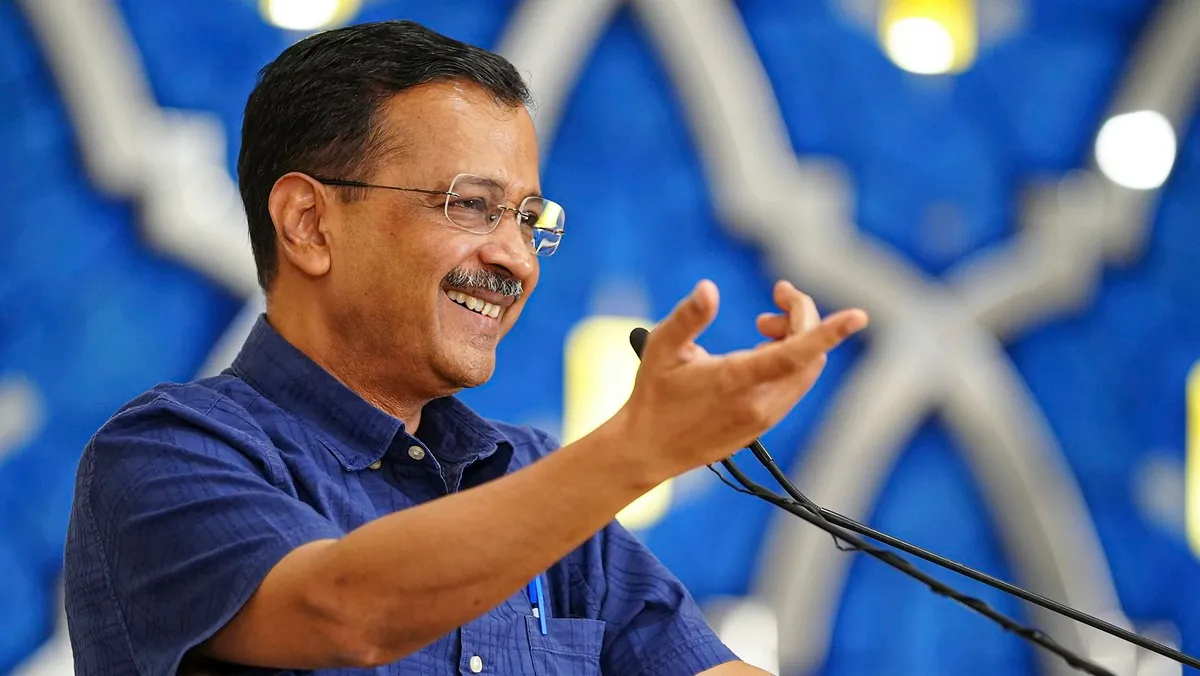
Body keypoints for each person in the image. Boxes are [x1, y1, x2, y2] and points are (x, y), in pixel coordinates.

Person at [62, 19, 867, 676]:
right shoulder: (169, 451)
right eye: (473, 206)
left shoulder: (537, 483)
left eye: (528, 220)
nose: (516, 260)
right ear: (309, 223)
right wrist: (639, 448)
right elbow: (343, 611)